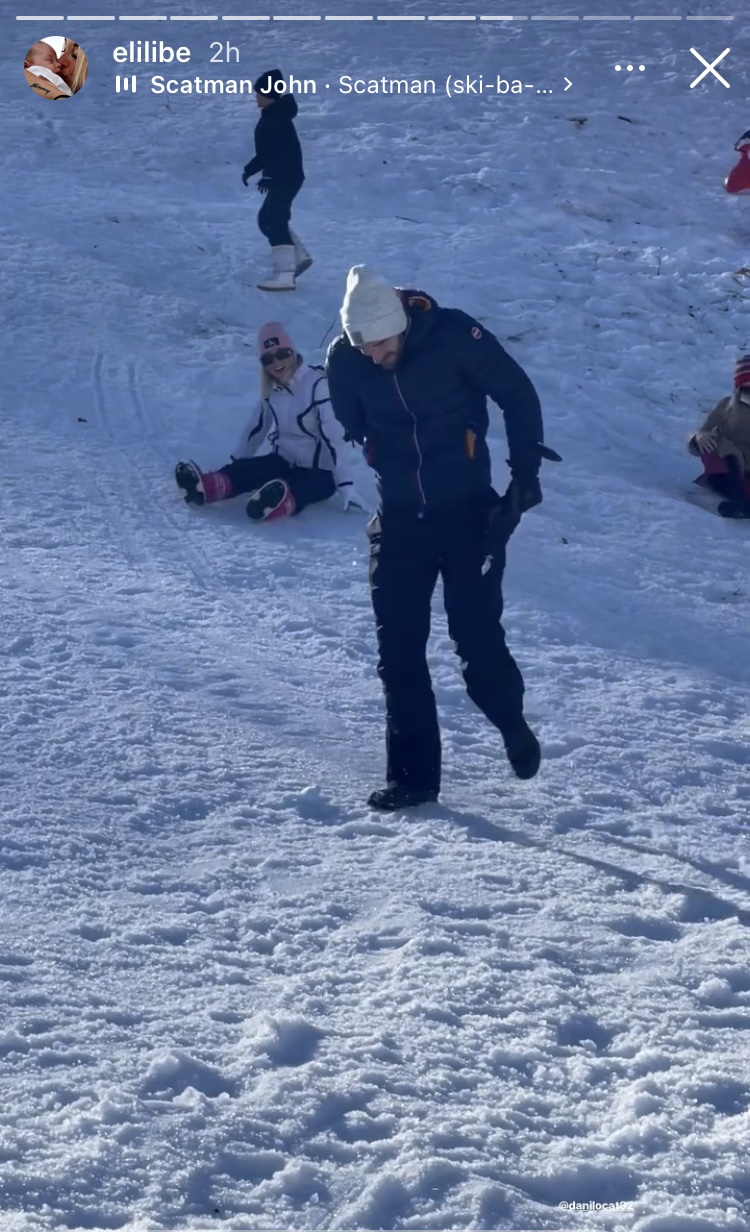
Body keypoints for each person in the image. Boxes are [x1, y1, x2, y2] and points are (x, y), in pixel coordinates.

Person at [326, 266, 561, 812]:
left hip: (467, 514)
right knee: (398, 651)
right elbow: (354, 422)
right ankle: (412, 781)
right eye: (363, 348)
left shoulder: (454, 335)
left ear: (400, 324)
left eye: (381, 345)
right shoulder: (345, 360)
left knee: (476, 641)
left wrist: (524, 473)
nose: (373, 357)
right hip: (400, 520)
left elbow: (517, 392)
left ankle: (510, 722)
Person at [176, 322, 368, 522]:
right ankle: (206, 487)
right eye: (268, 359)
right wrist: (238, 465)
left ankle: (275, 502)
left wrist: (346, 485)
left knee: (310, 486)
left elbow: (335, 439)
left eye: (282, 354)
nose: (276, 362)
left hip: (320, 470)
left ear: (292, 353)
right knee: (254, 469)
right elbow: (255, 431)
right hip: (283, 460)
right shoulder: (272, 391)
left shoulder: (318, 384)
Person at [241, 69, 310, 293]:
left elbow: (281, 154)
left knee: (274, 221)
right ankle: (297, 255)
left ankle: (285, 274)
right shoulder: (273, 115)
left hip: (286, 177)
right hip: (285, 176)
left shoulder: (275, 119)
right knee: (266, 220)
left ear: (269, 95)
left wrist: (269, 176)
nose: (256, 97)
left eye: (259, 93)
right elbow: (267, 153)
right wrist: (250, 169)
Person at [688, 354, 750, 518]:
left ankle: (744, 505)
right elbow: (704, 431)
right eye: (746, 390)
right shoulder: (727, 406)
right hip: (728, 466)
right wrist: (699, 437)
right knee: (712, 443)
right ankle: (738, 501)